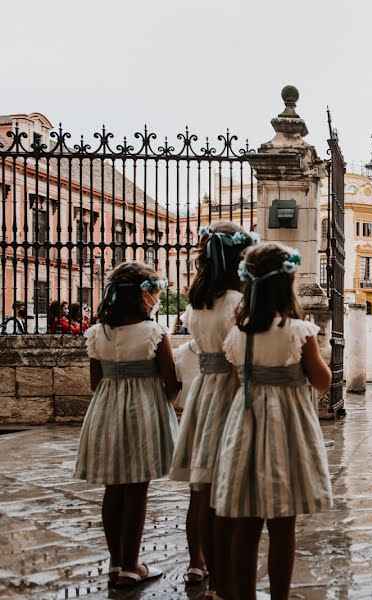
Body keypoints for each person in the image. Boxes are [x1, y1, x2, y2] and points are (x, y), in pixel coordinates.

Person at [212, 242, 332, 600]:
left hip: (246, 425)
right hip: (288, 426)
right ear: (287, 284)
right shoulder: (299, 331)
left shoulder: (238, 334)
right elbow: (322, 380)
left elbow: (239, 383)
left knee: (246, 526)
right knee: (283, 525)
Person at [72, 261, 179, 586]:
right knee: (137, 489)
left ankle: (116, 563)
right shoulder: (154, 333)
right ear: (144, 297)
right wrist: (164, 405)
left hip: (106, 412)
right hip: (144, 412)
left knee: (113, 487)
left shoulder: (97, 333)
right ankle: (133, 565)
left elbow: (94, 382)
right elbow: (171, 380)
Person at [169, 222, 257, 590]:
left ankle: (196, 562)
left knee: (199, 489)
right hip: (228, 394)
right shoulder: (238, 304)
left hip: (202, 392)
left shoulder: (197, 303)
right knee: (228, 489)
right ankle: (226, 572)